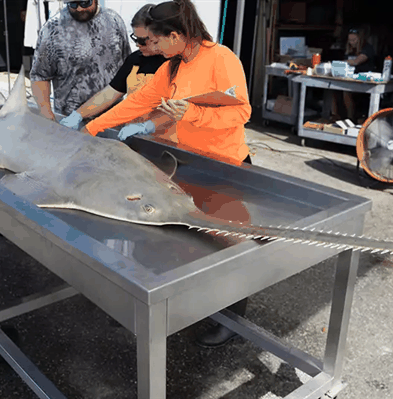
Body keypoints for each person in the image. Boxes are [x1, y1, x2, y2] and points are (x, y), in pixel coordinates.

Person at [80, 0, 253, 348]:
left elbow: (242, 112)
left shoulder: (221, 59)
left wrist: (194, 115)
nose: (153, 48)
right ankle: (195, 305)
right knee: (192, 240)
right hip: (191, 161)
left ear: (175, 35)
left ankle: (233, 320)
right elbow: (138, 101)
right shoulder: (172, 68)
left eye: (157, 42)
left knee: (230, 245)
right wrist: (92, 127)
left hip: (227, 166)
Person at [60, 3, 175, 140]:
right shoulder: (135, 59)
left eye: (143, 41)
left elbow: (179, 109)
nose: (137, 45)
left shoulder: (174, 63)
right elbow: (110, 93)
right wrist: (78, 115)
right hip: (132, 136)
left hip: (166, 142)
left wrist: (148, 126)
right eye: (135, 39)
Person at [30, 0, 132, 121]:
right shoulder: (53, 27)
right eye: (73, 5)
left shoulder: (114, 20)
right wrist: (45, 112)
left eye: (85, 3)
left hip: (113, 117)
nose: (79, 9)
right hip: (71, 120)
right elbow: (40, 76)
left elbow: (128, 65)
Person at [331, 28, 377, 121]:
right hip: (349, 78)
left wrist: (341, 63)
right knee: (333, 89)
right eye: (350, 40)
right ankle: (335, 116)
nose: (352, 42)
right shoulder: (350, 49)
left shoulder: (367, 48)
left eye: (354, 40)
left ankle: (350, 118)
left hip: (363, 80)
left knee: (346, 91)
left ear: (359, 39)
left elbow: (356, 61)